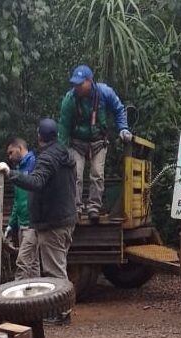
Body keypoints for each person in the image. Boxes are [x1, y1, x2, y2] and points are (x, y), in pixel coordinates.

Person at [0, 118, 76, 324]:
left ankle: (62, 313)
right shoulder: (63, 153)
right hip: (55, 220)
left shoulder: (47, 157)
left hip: (53, 222)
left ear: (39, 136)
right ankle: (50, 309)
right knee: (47, 266)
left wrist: (9, 173)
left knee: (55, 270)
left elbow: (37, 181)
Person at [58, 64, 133, 223]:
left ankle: (93, 208)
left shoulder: (105, 92)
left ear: (89, 81)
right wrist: (61, 150)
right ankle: (76, 208)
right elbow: (64, 126)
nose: (77, 87)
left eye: (80, 83)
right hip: (77, 142)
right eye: (75, 84)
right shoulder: (70, 99)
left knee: (97, 174)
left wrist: (123, 129)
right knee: (75, 174)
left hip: (99, 141)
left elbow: (119, 110)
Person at [5, 137, 39, 279]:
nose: (10, 157)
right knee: (34, 263)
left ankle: (17, 299)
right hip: (22, 224)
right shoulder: (19, 170)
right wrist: (11, 225)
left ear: (20, 148)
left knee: (22, 262)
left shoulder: (34, 164)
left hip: (32, 223)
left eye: (11, 152)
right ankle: (38, 299)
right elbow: (17, 201)